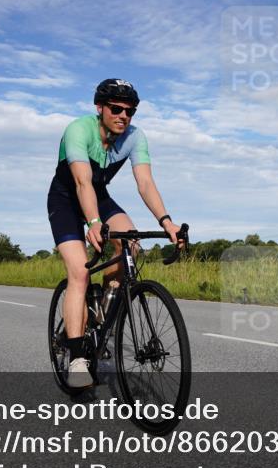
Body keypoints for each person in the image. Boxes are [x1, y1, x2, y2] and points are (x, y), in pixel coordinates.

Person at [47, 79, 184, 388]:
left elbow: (145, 183)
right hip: (66, 201)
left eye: (130, 111)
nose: (123, 116)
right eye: (116, 109)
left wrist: (167, 222)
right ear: (100, 108)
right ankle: (77, 358)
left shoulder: (135, 137)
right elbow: (82, 182)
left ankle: (104, 314)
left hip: (100, 197)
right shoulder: (79, 130)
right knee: (80, 273)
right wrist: (94, 222)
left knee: (130, 242)